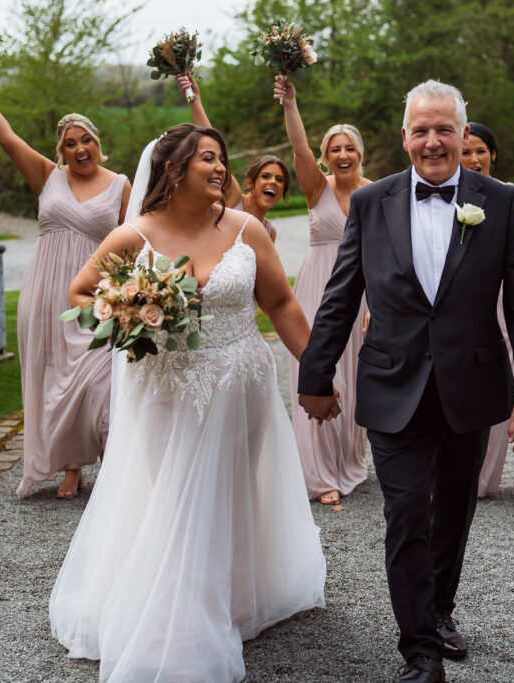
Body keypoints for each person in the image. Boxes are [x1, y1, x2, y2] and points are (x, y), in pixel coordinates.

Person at [50, 124, 325, 682]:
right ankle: (180, 619)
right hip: (165, 388)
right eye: (208, 159)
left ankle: (227, 594)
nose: (221, 168)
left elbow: (283, 306)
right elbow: (80, 293)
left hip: (241, 384)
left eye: (222, 159)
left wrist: (317, 376)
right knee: (176, 496)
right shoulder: (135, 235)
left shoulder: (248, 230)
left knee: (229, 490)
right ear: (174, 170)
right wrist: (128, 310)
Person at [297, 80, 514, 683]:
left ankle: (438, 610)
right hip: (391, 384)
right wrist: (316, 373)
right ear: (403, 136)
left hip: (471, 385)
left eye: (444, 129)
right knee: (406, 513)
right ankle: (421, 653)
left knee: (453, 511)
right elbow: (340, 296)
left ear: (464, 135)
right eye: (421, 129)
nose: (432, 141)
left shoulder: (500, 200)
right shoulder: (371, 203)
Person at [0, 61, 131, 499]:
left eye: (86, 139)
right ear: (61, 150)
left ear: (98, 143)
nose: (79, 148)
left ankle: (114, 460)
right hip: (45, 292)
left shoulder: (121, 187)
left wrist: (129, 295)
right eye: (70, 143)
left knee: (98, 381)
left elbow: (134, 245)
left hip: (97, 297)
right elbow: (5, 136)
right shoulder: (47, 178)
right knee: (53, 379)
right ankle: (69, 466)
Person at [276, 74, 372, 506]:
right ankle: (318, 474)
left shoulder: (376, 194)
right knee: (317, 371)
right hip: (319, 289)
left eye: (349, 147)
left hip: (363, 295)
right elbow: (297, 148)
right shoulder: (317, 189)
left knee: (354, 377)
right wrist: (290, 102)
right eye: (335, 148)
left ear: (360, 154)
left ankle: (348, 461)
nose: (342, 154)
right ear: (326, 156)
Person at [459, 122, 514, 499]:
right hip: (470, 302)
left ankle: (484, 477)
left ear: (493, 155)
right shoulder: (451, 196)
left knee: (497, 374)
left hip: (503, 298)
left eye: (481, 151)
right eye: (467, 151)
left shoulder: (509, 196)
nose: (474, 159)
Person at [176, 73, 288, 242]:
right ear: (250, 182)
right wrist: (194, 99)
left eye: (279, 179)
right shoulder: (233, 198)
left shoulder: (270, 232)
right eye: (265, 176)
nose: (273, 182)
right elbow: (212, 144)